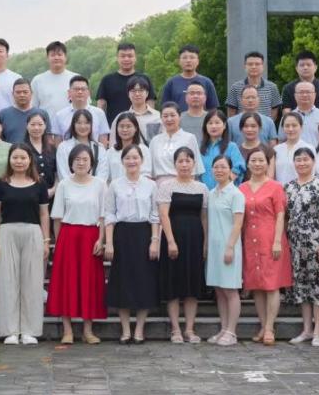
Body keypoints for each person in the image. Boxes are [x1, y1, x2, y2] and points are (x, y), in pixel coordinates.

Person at [0, 144, 52, 345]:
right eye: (15, 157)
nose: (19, 161)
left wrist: (46, 240)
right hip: (7, 232)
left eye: (23, 158)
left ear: (29, 160)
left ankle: (29, 330)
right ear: (9, 159)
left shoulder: (39, 184)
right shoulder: (1, 183)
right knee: (7, 281)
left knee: (32, 281)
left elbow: (44, 214)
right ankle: (10, 331)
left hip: (33, 232)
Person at [48, 143, 108, 345]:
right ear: (71, 163)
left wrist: (101, 239)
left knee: (89, 283)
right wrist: (59, 243)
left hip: (91, 236)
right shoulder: (64, 184)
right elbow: (57, 217)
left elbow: (103, 215)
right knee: (67, 282)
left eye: (85, 159)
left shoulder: (100, 184)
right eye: (77, 160)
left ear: (91, 163)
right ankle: (67, 330)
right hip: (68, 236)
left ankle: (88, 330)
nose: (81, 163)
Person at [104, 144, 160, 344]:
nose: (132, 161)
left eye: (135, 157)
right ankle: (126, 329)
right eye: (128, 158)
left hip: (144, 234)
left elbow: (155, 215)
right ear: (122, 161)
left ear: (142, 160)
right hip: (122, 235)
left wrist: (154, 240)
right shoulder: (115, 185)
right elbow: (109, 214)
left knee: (144, 281)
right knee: (123, 282)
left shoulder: (151, 185)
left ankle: (139, 329)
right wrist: (109, 243)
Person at [239, 147, 292, 346]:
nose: (257, 164)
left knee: (271, 284)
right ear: (248, 164)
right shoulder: (242, 188)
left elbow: (280, 214)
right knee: (257, 286)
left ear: (268, 163)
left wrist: (277, 240)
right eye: (253, 160)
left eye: (261, 160)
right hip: (250, 240)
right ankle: (263, 325)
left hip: (270, 239)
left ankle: (270, 327)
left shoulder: (275, 187)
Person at [157, 147, 209, 344]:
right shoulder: (166, 186)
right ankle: (175, 329)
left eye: (188, 161)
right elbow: (163, 215)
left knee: (192, 285)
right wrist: (170, 241)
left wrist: (205, 242)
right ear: (175, 164)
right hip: (173, 237)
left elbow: (204, 217)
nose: (184, 164)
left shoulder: (202, 188)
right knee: (174, 284)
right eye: (180, 161)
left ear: (194, 163)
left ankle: (189, 329)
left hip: (195, 239)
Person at [284, 147, 319, 347]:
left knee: (317, 286)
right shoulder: (289, 187)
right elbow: (285, 216)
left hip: (314, 242)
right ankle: (307, 329)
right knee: (301, 286)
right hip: (294, 244)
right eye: (298, 160)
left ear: (313, 162)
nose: (302, 163)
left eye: (305, 159)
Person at [205, 155, 245, 347]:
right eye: (216, 167)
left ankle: (232, 331)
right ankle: (223, 328)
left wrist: (230, 247)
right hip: (214, 248)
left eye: (223, 167)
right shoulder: (212, 193)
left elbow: (238, 224)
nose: (219, 170)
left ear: (230, 170)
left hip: (229, 246)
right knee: (219, 290)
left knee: (230, 289)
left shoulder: (236, 194)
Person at [96, 42, 156, 123]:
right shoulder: (107, 80)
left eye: (130, 56)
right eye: (123, 56)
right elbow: (101, 106)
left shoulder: (144, 79)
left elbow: (150, 104)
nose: (126, 59)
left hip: (140, 126)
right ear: (117, 58)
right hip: (114, 127)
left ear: (135, 58)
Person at [148, 103, 204, 185]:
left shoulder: (189, 138)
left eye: (172, 115)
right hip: (159, 185)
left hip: (183, 184)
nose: (169, 119)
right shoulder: (155, 141)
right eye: (165, 116)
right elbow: (150, 170)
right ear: (161, 118)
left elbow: (194, 170)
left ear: (179, 116)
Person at [52, 76, 111, 145]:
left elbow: (103, 141)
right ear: (69, 92)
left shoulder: (99, 113)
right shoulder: (60, 115)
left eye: (83, 89)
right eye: (76, 89)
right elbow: (58, 143)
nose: (80, 92)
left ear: (89, 92)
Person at [55, 109, 110, 182]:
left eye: (86, 123)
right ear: (73, 125)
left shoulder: (99, 148)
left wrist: (92, 187)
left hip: (95, 188)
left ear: (91, 125)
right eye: (79, 123)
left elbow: (103, 174)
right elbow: (63, 173)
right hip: (70, 188)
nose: (83, 126)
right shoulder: (63, 147)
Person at [159, 44, 220, 110]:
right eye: (184, 58)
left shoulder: (207, 82)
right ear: (179, 61)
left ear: (198, 61)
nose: (188, 60)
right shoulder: (171, 83)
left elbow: (213, 109)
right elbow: (165, 108)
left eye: (192, 57)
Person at [225, 51, 282, 119]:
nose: (254, 67)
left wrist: (266, 123)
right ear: (245, 66)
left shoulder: (272, 87)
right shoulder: (235, 87)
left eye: (257, 64)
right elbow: (231, 112)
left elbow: (274, 111)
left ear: (263, 66)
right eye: (250, 64)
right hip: (242, 124)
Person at [30, 40, 78, 120]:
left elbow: (85, 106)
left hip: (72, 125)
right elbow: (33, 108)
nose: (56, 58)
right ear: (47, 58)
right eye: (52, 55)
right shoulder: (37, 80)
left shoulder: (76, 79)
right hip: (46, 125)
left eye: (59, 55)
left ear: (65, 57)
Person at [281, 50, 319, 116]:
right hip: (295, 122)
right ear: (296, 68)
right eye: (302, 65)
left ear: (315, 67)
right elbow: (286, 111)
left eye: (308, 65)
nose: (305, 67)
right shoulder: (288, 88)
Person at [200, 110, 245, 189]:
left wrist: (223, 186)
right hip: (204, 192)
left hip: (226, 192)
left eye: (217, 123)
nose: (213, 126)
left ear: (224, 125)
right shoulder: (200, 148)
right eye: (210, 123)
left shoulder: (231, 147)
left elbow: (238, 168)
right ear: (205, 126)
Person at [109, 75, 162, 142]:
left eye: (141, 90)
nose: (137, 94)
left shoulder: (158, 116)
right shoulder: (120, 118)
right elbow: (113, 142)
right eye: (133, 91)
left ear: (147, 93)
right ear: (128, 94)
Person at [0, 78, 51, 145]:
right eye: (18, 92)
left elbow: (47, 139)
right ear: (12, 94)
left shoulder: (42, 114)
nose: (22, 95)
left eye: (25, 92)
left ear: (31, 93)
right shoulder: (3, 115)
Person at [107, 112, 153, 181]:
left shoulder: (143, 149)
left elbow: (146, 174)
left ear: (136, 128)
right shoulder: (111, 152)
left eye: (128, 126)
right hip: (116, 187)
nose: (125, 130)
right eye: (121, 126)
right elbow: (107, 177)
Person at [237, 113, 277, 180]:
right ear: (241, 129)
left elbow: (270, 177)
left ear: (260, 128)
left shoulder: (268, 150)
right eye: (246, 126)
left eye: (253, 126)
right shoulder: (236, 151)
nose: (249, 129)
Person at [291, 81, 319, 147]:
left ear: (315, 95)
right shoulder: (288, 117)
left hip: (318, 153)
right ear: (295, 96)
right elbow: (282, 140)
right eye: (301, 92)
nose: (305, 95)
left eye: (308, 92)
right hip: (294, 153)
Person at [274, 112, 305, 186]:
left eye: (294, 125)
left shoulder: (308, 148)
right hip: (279, 191)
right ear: (282, 128)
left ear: (301, 127)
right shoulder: (276, 149)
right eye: (287, 126)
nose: (290, 129)